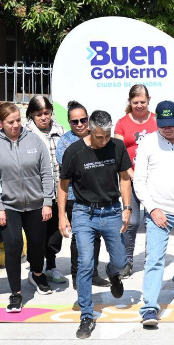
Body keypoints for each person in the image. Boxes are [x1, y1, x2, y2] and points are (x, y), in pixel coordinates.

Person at [57, 110, 133, 340]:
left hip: (111, 211)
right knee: (85, 262)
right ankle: (86, 315)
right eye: (100, 136)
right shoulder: (74, 151)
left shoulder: (117, 147)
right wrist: (62, 215)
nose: (104, 140)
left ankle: (113, 274)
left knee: (121, 261)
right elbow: (63, 185)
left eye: (108, 135)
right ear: (90, 130)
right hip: (83, 213)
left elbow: (125, 178)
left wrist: (127, 207)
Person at [135, 101, 174, 328]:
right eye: (163, 125)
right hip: (158, 211)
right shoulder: (147, 143)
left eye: (172, 124)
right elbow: (139, 181)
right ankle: (150, 307)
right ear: (156, 122)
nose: (168, 129)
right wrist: (152, 208)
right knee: (154, 259)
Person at [0, 102, 55, 312]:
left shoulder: (34, 139)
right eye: (10, 122)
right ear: (0, 123)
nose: (16, 125)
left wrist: (47, 202)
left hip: (36, 204)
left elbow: (46, 172)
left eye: (18, 120)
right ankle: (15, 293)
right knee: (14, 246)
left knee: (37, 243)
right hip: (9, 205)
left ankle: (36, 274)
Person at [56, 101, 109, 290]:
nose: (79, 124)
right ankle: (78, 275)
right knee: (79, 238)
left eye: (83, 120)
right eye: (74, 121)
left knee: (96, 236)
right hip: (74, 196)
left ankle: (93, 273)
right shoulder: (64, 142)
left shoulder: (99, 136)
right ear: (69, 123)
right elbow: (70, 171)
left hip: (98, 195)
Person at [113, 84, 157, 274]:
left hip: (154, 180)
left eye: (142, 102)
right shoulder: (122, 123)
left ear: (149, 100)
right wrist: (133, 175)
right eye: (135, 102)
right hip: (130, 179)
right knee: (131, 221)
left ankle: (152, 260)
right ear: (129, 102)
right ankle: (127, 261)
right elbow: (118, 154)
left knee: (153, 221)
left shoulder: (157, 121)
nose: (139, 105)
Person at [24, 95, 67, 284]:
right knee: (38, 233)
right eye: (39, 114)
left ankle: (51, 266)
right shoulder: (25, 133)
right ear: (32, 114)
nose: (44, 117)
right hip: (36, 192)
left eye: (47, 113)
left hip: (59, 189)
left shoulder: (60, 130)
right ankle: (36, 269)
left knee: (55, 234)